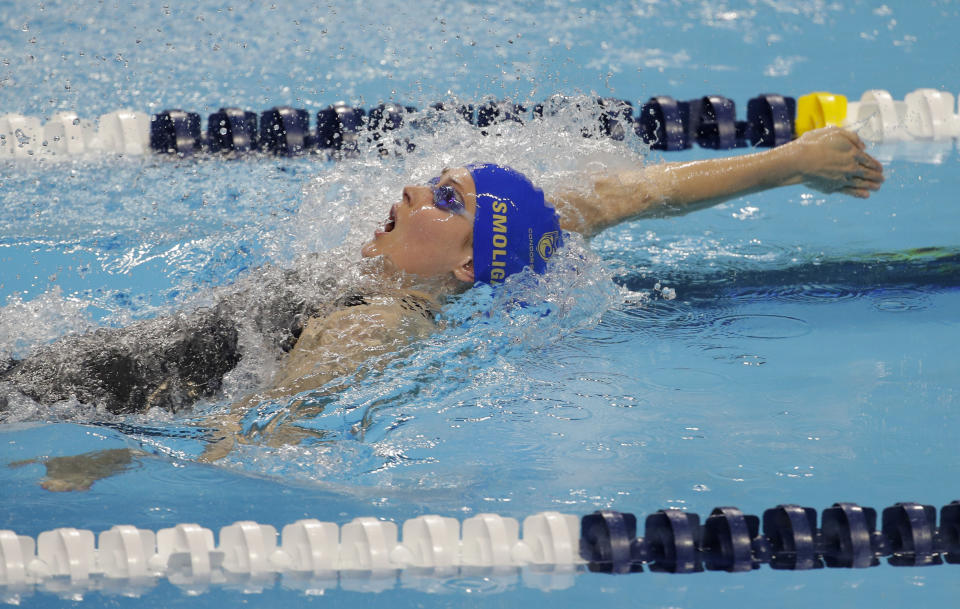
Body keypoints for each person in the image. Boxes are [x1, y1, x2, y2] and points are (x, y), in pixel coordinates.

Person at [0, 126, 883, 461]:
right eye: (437, 180)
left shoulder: (373, 326)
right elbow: (634, 195)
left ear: (467, 265)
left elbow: (247, 428)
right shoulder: (521, 241)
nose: (418, 189)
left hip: (73, 397)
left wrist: (101, 458)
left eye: (446, 201)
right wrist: (792, 163)